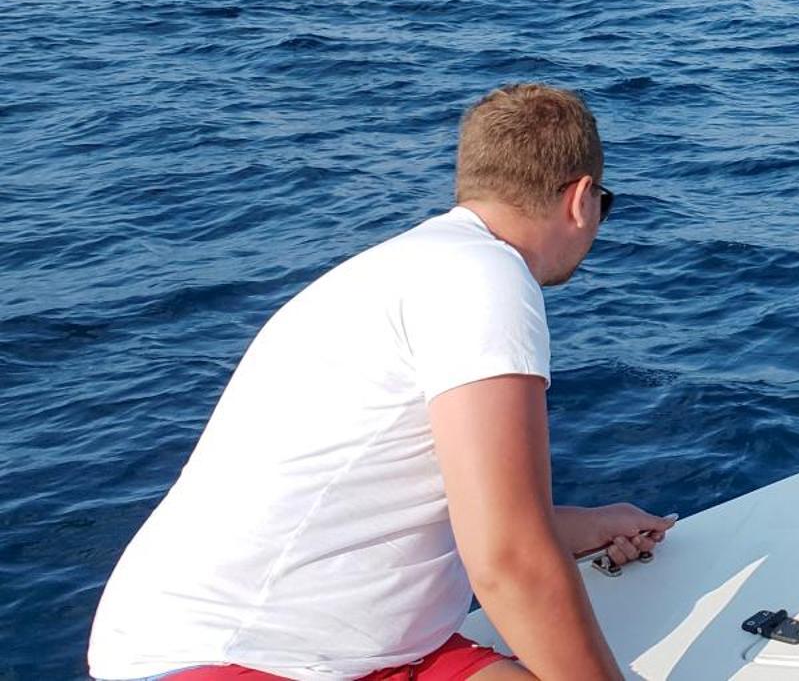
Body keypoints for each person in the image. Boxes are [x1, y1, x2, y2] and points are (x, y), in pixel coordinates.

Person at [89, 84, 672, 681]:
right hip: (232, 659)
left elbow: (442, 510)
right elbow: (508, 561)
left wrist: (582, 526)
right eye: (604, 204)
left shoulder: (405, 267)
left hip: (364, 647)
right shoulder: (486, 277)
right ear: (579, 199)